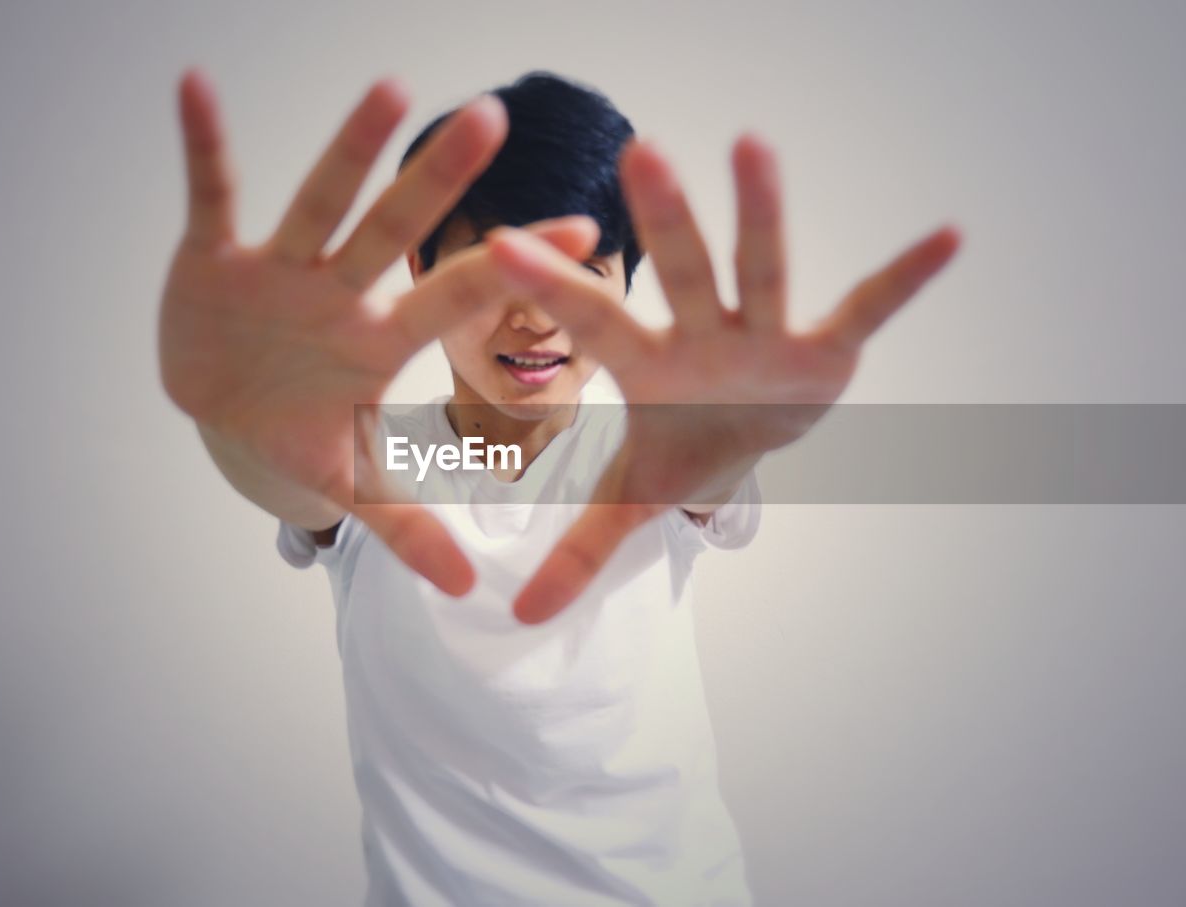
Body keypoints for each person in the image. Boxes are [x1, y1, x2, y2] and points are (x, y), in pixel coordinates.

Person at [159, 68, 959, 905]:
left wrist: (735, 433)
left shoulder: (656, 450)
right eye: (493, 274)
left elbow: (707, 472)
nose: (536, 320)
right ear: (421, 266)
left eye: (577, 275)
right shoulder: (371, 455)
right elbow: (291, 474)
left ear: (623, 283)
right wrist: (235, 418)